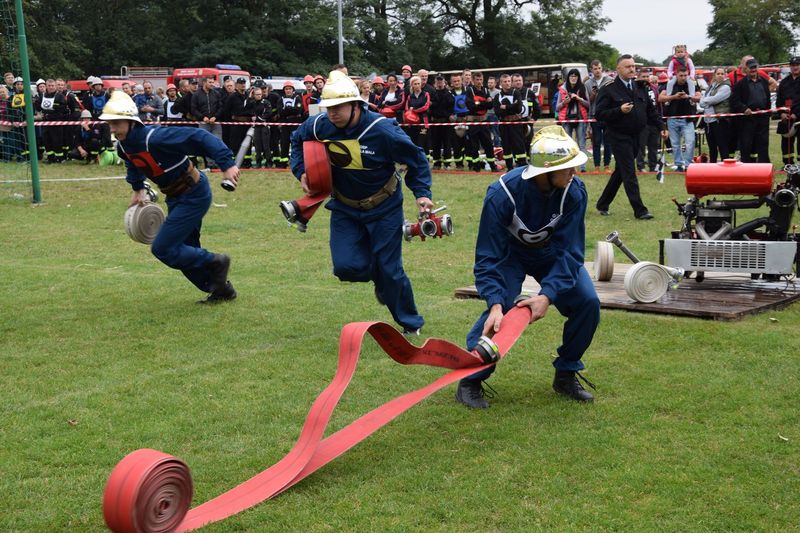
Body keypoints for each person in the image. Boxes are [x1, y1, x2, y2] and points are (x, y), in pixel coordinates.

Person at [455, 125, 600, 409]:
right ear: (544, 171)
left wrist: (547, 295)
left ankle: (566, 373)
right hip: (510, 256)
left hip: (552, 254)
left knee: (588, 302)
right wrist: (496, 302)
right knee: (500, 313)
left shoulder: (574, 192)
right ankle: (470, 378)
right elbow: (488, 256)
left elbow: (571, 252)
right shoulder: (502, 194)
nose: (574, 172)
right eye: (568, 167)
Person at [289, 71, 433, 335]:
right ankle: (380, 277)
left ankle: (411, 323)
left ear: (356, 104)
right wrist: (301, 171)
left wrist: (422, 193)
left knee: (391, 271)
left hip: (385, 207)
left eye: (338, 108)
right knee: (345, 267)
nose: (332, 113)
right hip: (344, 208)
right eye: (328, 107)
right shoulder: (320, 124)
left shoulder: (383, 129)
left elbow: (416, 159)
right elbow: (297, 139)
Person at [100, 90, 240, 303]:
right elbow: (132, 162)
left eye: (116, 123)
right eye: (109, 123)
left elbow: (199, 136)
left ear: (130, 121)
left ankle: (216, 261)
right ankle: (221, 290)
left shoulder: (155, 137)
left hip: (195, 193)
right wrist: (137, 187)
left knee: (163, 248)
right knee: (186, 250)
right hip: (175, 197)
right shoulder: (123, 147)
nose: (112, 128)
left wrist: (226, 163)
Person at [594, 55, 667, 220]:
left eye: (633, 66)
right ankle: (640, 210)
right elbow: (599, 114)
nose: (632, 69)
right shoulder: (608, 88)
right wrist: (619, 110)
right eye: (627, 66)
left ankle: (603, 203)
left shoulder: (640, 87)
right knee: (629, 172)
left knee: (621, 171)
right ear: (618, 69)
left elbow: (650, 111)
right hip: (618, 136)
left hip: (636, 136)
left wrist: (661, 126)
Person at [658, 66, 701, 171]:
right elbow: (660, 98)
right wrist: (674, 97)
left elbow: (699, 97)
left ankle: (688, 165)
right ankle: (678, 165)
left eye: (685, 75)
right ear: (676, 74)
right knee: (675, 144)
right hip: (672, 119)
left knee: (690, 142)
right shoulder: (669, 84)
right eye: (681, 75)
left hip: (688, 119)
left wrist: (688, 97)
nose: (683, 78)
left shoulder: (692, 84)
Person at [731, 57, 772, 163]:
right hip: (747, 118)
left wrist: (767, 113)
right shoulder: (740, 84)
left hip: (762, 117)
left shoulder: (763, 81)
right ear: (746, 69)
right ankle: (746, 166)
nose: (753, 70)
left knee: (763, 143)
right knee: (746, 143)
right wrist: (744, 108)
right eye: (751, 68)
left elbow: (767, 98)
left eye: (754, 67)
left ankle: (764, 166)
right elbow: (734, 101)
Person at [555, 68, 589, 172]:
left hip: (580, 119)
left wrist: (579, 99)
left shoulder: (583, 88)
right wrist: (564, 102)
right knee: (568, 145)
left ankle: (583, 168)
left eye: (575, 76)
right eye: (571, 76)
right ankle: (570, 168)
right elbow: (557, 108)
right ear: (568, 77)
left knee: (581, 144)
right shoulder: (562, 89)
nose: (573, 78)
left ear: (578, 78)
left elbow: (588, 105)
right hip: (567, 120)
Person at [585, 60, 613, 172]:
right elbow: (587, 102)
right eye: (595, 69)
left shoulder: (610, 81)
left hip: (608, 115)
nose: (597, 70)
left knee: (608, 142)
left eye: (599, 68)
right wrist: (593, 95)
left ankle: (607, 166)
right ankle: (596, 167)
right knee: (596, 142)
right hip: (594, 115)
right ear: (591, 70)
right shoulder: (587, 84)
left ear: (602, 69)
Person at [700, 67, 732, 162]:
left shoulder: (726, 87)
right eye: (718, 74)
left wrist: (703, 101)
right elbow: (706, 98)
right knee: (712, 146)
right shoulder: (712, 85)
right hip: (708, 121)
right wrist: (705, 100)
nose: (720, 75)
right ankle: (712, 167)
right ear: (714, 75)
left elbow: (715, 99)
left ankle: (725, 168)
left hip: (719, 120)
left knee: (722, 145)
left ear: (725, 75)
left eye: (722, 74)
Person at [776, 56, 800, 165]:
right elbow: (779, 99)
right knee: (786, 143)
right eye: (793, 65)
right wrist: (781, 113)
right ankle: (788, 165)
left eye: (797, 65)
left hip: (798, 117)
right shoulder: (784, 82)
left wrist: (797, 114)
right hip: (787, 118)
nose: (795, 67)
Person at [404, 75, 430, 148]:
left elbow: (426, 106)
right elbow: (407, 109)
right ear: (412, 85)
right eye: (415, 84)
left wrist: (414, 110)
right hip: (412, 122)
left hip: (423, 121)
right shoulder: (409, 97)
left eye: (418, 83)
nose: (417, 85)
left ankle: (425, 158)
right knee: (414, 142)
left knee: (422, 142)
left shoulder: (426, 94)